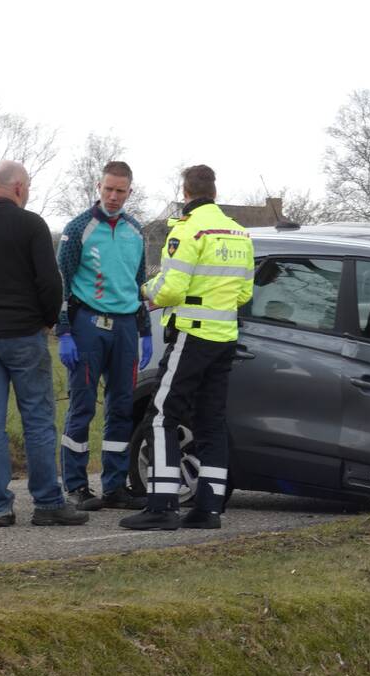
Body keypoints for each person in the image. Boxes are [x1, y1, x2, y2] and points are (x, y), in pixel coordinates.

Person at [120, 165, 253, 531]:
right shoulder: (239, 234)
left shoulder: (188, 229)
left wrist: (147, 290)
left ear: (186, 192)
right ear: (214, 190)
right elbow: (244, 293)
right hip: (224, 339)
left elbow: (172, 290)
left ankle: (161, 505)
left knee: (162, 416)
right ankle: (208, 509)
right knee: (211, 422)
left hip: (191, 337)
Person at [0, 160, 88, 527]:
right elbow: (50, 281)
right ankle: (47, 502)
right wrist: (48, 320)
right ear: (17, 187)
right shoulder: (31, 225)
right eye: (27, 186)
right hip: (24, 335)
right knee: (38, 420)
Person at [55, 161, 152, 511]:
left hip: (126, 327)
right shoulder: (78, 228)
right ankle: (77, 486)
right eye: (108, 189)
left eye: (120, 191)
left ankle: (114, 485)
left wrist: (144, 330)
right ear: (99, 186)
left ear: (130, 191)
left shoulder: (136, 231)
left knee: (122, 406)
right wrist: (64, 330)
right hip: (87, 326)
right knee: (82, 407)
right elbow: (61, 283)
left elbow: (139, 283)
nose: (113, 196)